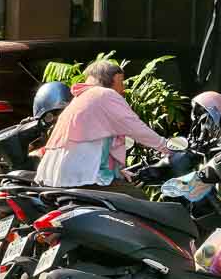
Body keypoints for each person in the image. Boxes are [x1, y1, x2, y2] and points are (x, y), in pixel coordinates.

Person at [36, 60, 169, 190]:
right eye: (121, 82)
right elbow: (136, 128)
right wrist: (170, 149)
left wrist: (117, 172)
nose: (123, 89)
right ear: (111, 79)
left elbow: (97, 142)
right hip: (83, 177)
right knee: (142, 205)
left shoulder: (82, 97)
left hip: (59, 177)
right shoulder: (105, 94)